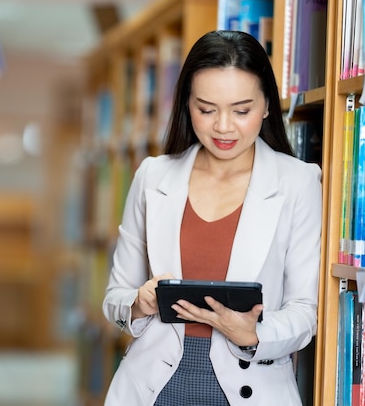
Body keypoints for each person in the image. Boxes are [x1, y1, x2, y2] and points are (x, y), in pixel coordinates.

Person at [101, 30, 322, 406]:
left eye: (241, 110)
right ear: (187, 104)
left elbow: (305, 311)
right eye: (206, 109)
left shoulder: (298, 182)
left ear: (267, 105)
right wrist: (140, 302)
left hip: (253, 386)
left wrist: (253, 332)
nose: (223, 126)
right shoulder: (153, 176)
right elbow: (115, 297)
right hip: (152, 386)